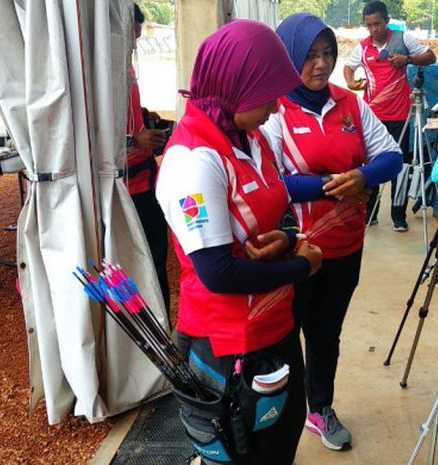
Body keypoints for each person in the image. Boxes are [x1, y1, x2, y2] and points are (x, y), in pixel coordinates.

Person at [155, 20, 323, 465]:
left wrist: (287, 238)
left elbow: (280, 204)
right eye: (265, 95)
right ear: (231, 88)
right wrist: (304, 265)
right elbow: (218, 273)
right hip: (226, 344)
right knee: (243, 453)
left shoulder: (253, 136)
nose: (275, 106)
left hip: (275, 327)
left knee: (281, 439)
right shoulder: (193, 161)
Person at [262, 13, 402, 451]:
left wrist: (362, 176)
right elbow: (272, 180)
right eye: (308, 56)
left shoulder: (351, 104)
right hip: (297, 250)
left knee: (326, 335)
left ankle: (320, 409)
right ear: (287, 57)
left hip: (346, 246)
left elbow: (392, 156)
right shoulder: (274, 110)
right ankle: (278, 417)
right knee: (284, 337)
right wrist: (333, 186)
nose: (320, 65)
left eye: (327, 54)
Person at [343, 1, 436, 231]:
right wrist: (349, 81)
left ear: (387, 21)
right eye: (369, 25)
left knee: (401, 166)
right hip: (371, 117)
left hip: (400, 116)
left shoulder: (403, 39)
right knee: (371, 165)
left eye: (377, 23)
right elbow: (348, 66)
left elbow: (431, 57)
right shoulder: (363, 47)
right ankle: (370, 211)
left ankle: (398, 215)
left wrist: (408, 60)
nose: (374, 29)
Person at [127, 3, 170, 311]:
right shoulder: (97, 71)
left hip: (144, 177)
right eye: (131, 34)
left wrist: (145, 119)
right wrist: (133, 139)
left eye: (138, 36)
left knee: (156, 258)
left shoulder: (126, 67)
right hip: (120, 188)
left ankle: (162, 323)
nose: (134, 42)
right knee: (132, 263)